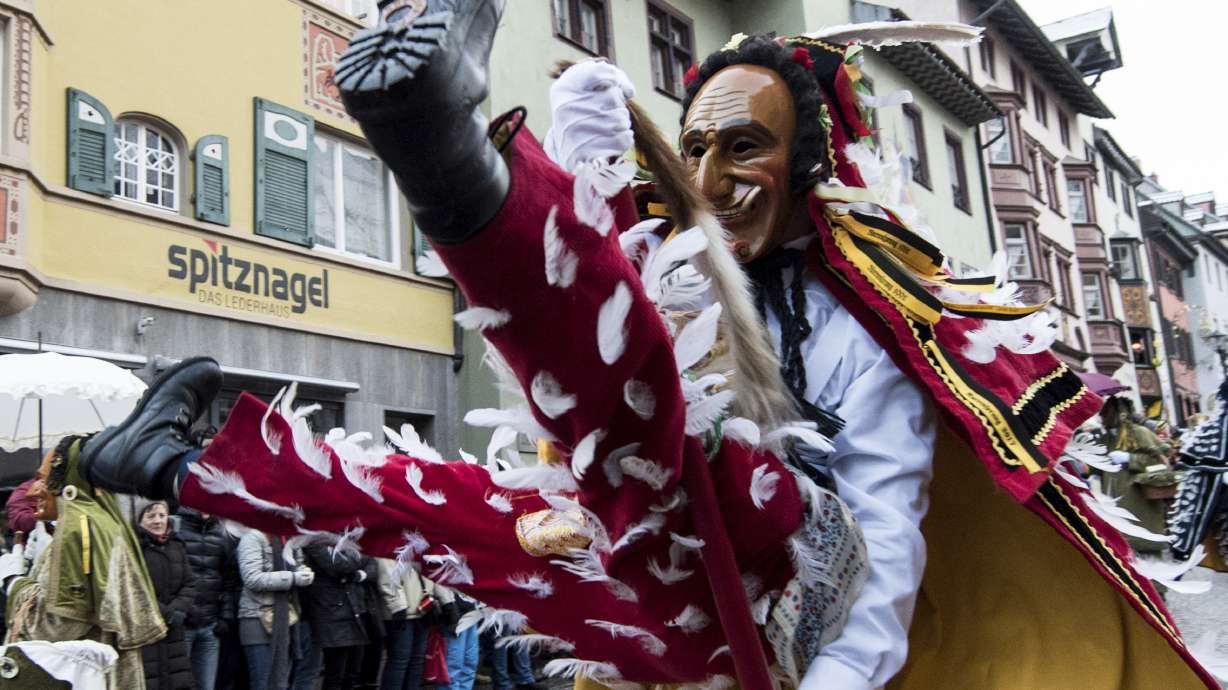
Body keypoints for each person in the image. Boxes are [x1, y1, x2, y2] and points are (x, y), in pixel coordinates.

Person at [73, 2, 1215, 688]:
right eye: (697, 148)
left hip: (797, 614)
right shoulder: (697, 279)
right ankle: (189, 462)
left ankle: (452, 156)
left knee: (656, 440)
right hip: (675, 609)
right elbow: (610, 340)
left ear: (811, 164)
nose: (712, 179)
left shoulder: (866, 331)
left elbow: (883, 545)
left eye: (746, 148)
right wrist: (595, 168)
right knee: (495, 522)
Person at [4, 437, 165, 689]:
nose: (33, 491)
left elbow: (55, 626)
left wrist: (13, 582)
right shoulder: (103, 521)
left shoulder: (78, 529)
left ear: (69, 483)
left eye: (44, 480)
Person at [236, 529, 314, 690]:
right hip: (257, 617)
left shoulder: (290, 539)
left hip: (285, 618)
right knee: (262, 683)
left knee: (281, 683)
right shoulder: (252, 538)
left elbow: (298, 565)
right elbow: (252, 578)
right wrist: (293, 578)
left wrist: (304, 573)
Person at [135, 500, 197, 690]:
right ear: (140, 520)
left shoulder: (176, 545)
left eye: (162, 515)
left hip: (174, 630)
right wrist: (166, 613)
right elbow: (135, 589)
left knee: (176, 680)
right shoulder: (134, 547)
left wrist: (178, 609)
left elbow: (189, 583)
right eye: (151, 516)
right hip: (146, 629)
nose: (158, 521)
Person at [300, 543, 377, 690]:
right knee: (334, 673)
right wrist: (358, 558)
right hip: (329, 612)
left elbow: (371, 562)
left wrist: (359, 574)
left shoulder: (345, 541)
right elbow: (340, 565)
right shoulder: (314, 541)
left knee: (352, 671)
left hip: (353, 610)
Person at [176, 506, 234, 690]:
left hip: (210, 626)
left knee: (207, 686)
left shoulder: (221, 534)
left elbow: (229, 579)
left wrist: (225, 617)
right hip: (182, 624)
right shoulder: (176, 530)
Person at [376, 558, 436, 690]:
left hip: (422, 608)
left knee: (417, 660)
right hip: (401, 612)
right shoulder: (390, 549)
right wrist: (398, 607)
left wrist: (430, 597)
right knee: (399, 660)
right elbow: (388, 578)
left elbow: (431, 573)